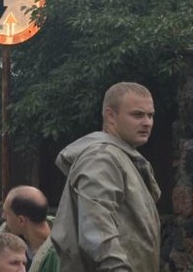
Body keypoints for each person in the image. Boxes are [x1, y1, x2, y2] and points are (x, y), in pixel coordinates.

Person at [50, 82, 161, 271]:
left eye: (150, 115)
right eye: (137, 115)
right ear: (110, 116)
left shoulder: (121, 157)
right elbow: (97, 231)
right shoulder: (101, 157)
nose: (147, 122)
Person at [1, 186, 57, 272]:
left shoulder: (58, 256)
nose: (3, 216)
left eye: (6, 213)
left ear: (21, 220)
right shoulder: (7, 237)